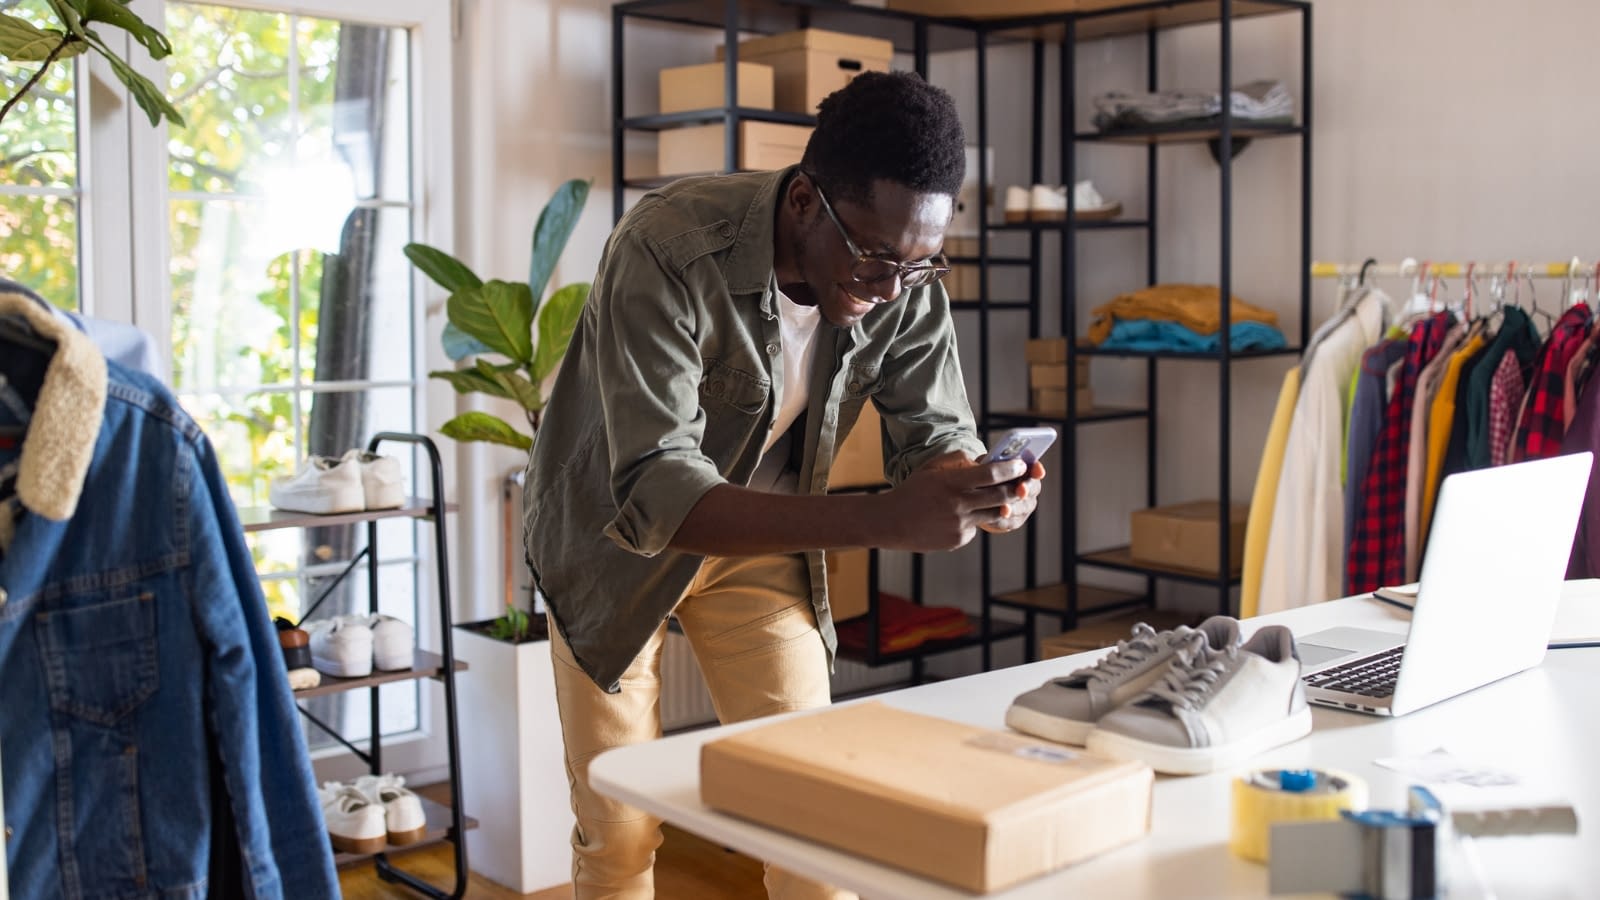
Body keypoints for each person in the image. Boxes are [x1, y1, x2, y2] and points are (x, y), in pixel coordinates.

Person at [524, 70, 1046, 899]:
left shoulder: (900, 273)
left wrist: (974, 485)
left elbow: (937, 430)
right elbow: (660, 487)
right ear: (805, 202)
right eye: (875, 259)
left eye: (922, 265)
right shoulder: (664, 246)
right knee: (621, 828)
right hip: (611, 550)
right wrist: (881, 519)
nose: (890, 292)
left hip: (759, 545)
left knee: (812, 814)